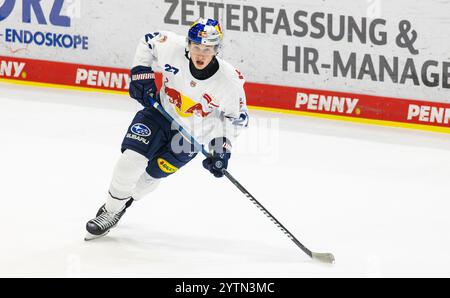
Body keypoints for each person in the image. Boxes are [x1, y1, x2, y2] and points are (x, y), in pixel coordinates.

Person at [85, 18, 249, 240]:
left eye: (208, 49)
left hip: (192, 136)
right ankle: (111, 211)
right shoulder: (170, 46)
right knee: (130, 161)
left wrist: (222, 147)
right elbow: (148, 41)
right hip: (159, 114)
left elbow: (236, 118)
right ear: (188, 44)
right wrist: (141, 73)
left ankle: (125, 202)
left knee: (151, 176)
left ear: (216, 49)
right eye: (196, 47)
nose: (201, 54)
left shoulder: (229, 81)